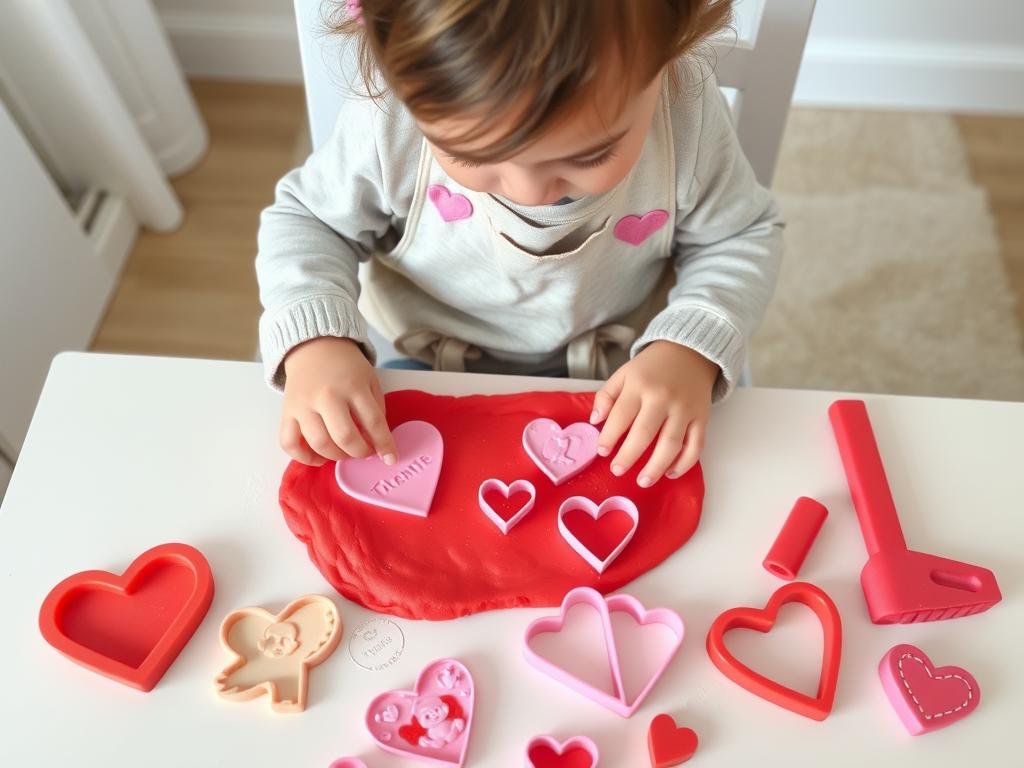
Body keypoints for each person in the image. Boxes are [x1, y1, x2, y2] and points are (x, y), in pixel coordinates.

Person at [256, 0, 782, 487]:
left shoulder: (685, 111)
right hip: (431, 367)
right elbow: (310, 220)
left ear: (672, 52)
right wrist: (316, 343)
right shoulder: (388, 121)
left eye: (587, 156)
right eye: (471, 154)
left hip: (626, 375)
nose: (529, 191)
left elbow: (741, 234)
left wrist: (688, 348)